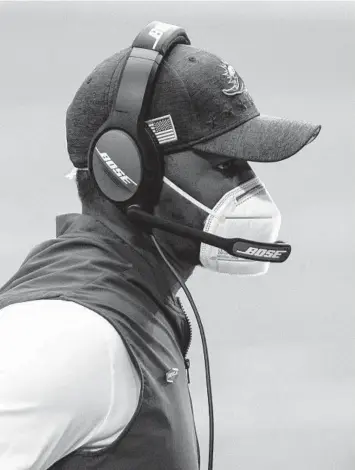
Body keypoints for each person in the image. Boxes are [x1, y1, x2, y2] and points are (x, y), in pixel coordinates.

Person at [0, 21, 321, 470]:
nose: (251, 187)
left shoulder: (136, 300)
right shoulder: (70, 336)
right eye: (225, 163)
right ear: (128, 170)